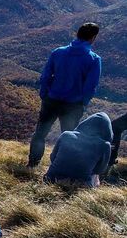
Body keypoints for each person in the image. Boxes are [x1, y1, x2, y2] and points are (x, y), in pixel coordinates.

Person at [28, 22, 102, 168]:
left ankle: (32, 164)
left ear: (77, 35)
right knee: (68, 138)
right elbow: (91, 86)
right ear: (93, 38)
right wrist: (83, 103)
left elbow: (45, 76)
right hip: (73, 105)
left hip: (52, 99)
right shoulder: (93, 59)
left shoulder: (58, 52)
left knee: (40, 134)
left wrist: (45, 94)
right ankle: (60, 167)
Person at [45, 112, 112, 187]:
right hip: (80, 185)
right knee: (95, 175)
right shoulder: (105, 145)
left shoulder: (66, 134)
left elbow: (52, 157)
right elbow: (100, 170)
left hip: (51, 179)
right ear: (107, 130)